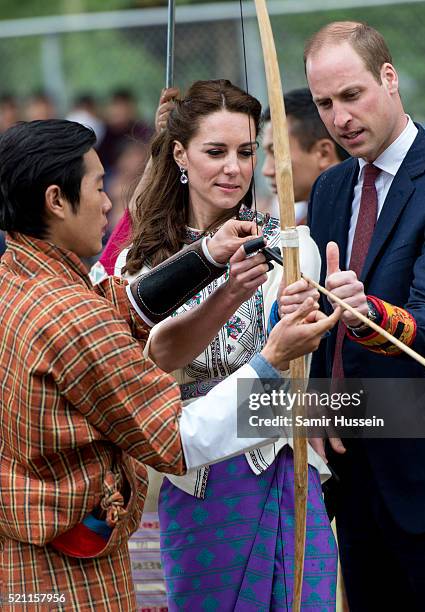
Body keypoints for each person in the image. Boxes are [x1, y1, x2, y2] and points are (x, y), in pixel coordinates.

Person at [0, 119, 340, 611]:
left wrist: (206, 259)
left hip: (29, 556)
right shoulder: (72, 314)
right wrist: (272, 360)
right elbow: (176, 438)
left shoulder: (20, 278)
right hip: (79, 560)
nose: (108, 202)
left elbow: (118, 306)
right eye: (97, 186)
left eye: (246, 151)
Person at [110, 79, 339, 611]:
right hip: (199, 477)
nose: (233, 168)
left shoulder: (289, 241)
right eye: (215, 152)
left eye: (245, 151)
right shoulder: (142, 262)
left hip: (287, 464)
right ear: (179, 154)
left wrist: (315, 312)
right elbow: (150, 362)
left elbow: (306, 362)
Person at [305, 21, 425, 612]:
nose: (339, 118)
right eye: (325, 103)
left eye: (352, 95)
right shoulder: (332, 188)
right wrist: (317, 404)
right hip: (355, 479)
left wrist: (367, 313)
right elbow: (320, 331)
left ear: (390, 78)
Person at [261, 87, 348, 223]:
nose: (266, 171)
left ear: (323, 154)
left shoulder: (356, 218)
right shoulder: (309, 222)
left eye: (276, 153)